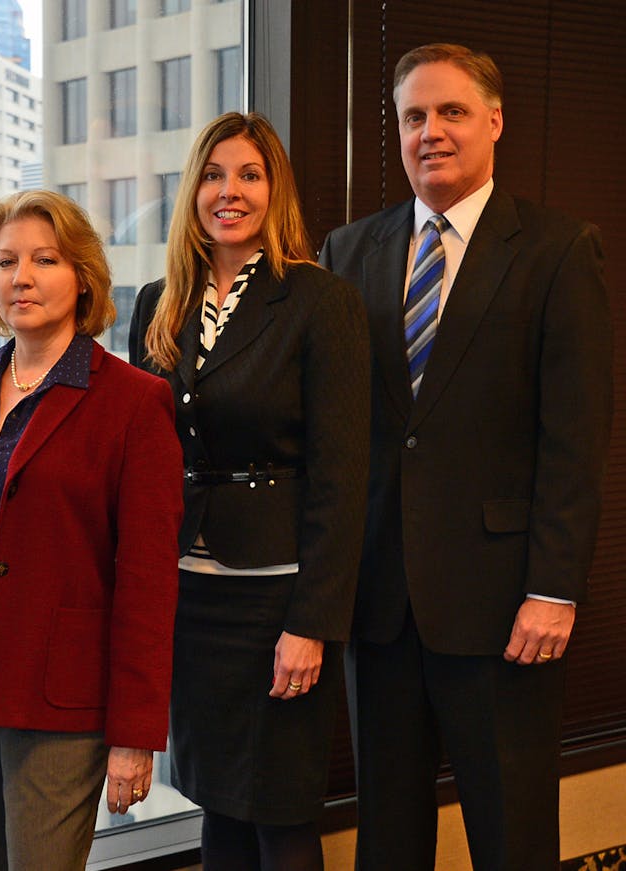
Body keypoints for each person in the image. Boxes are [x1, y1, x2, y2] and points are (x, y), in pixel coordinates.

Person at [319, 44, 611, 870]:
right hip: (378, 606)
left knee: (511, 831)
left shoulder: (557, 250)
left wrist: (553, 589)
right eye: (415, 117)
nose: (430, 132)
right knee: (388, 834)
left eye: (450, 113)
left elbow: (575, 436)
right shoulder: (348, 252)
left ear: (494, 121)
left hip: (504, 608)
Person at [0, 189, 183, 871]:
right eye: (4, 261)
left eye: (43, 259)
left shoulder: (133, 403)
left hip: (60, 704)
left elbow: (147, 582)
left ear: (82, 275)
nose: (19, 277)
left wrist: (135, 735)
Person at [128, 112, 370, 870]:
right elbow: (142, 457)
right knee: (221, 805)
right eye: (212, 174)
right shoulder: (157, 303)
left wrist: (313, 623)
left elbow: (342, 476)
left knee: (282, 813)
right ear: (192, 190)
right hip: (188, 599)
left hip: (277, 601)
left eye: (249, 175)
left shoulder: (318, 300)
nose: (228, 191)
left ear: (275, 191)